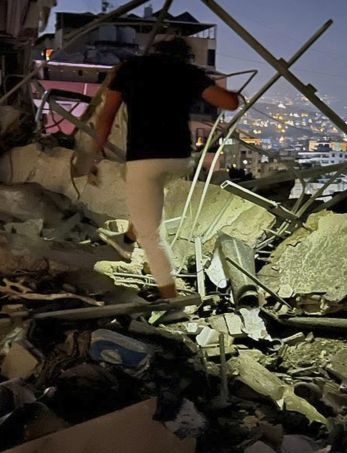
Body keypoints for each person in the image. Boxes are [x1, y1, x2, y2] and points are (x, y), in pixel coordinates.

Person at [93, 37, 241, 299]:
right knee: (146, 201)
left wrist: (97, 150)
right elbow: (228, 103)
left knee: (151, 233)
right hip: (179, 159)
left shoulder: (130, 70)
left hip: (145, 158)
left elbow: (107, 115)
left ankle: (170, 297)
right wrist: (233, 96)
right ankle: (127, 238)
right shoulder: (187, 72)